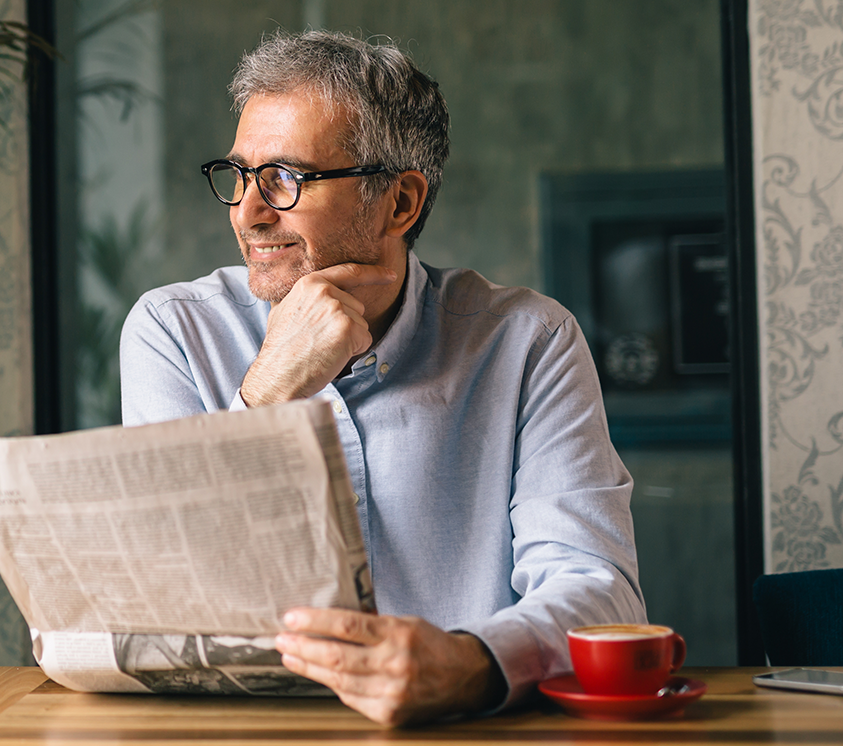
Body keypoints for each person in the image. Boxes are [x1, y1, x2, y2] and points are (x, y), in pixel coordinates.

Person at [119, 30, 647, 725]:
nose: (246, 211)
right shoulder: (172, 332)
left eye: (284, 178)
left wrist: (472, 661)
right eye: (239, 174)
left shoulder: (529, 342)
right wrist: (271, 389)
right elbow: (152, 589)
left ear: (399, 204)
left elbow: (597, 589)